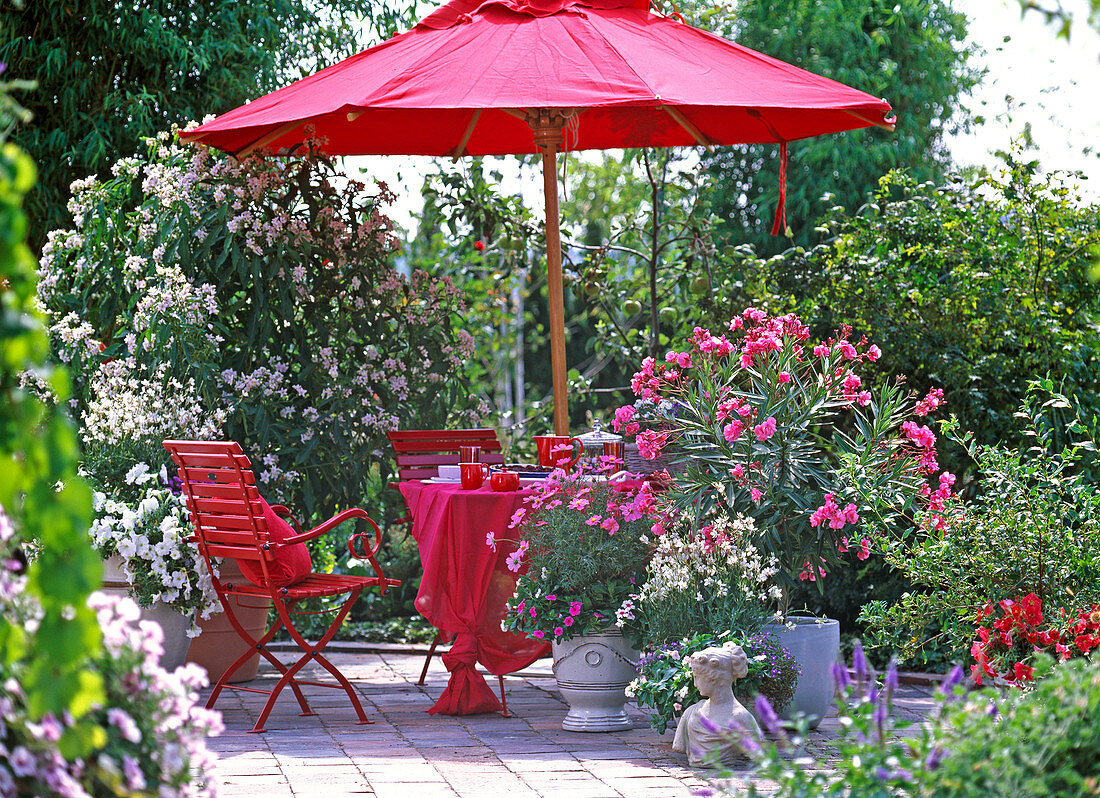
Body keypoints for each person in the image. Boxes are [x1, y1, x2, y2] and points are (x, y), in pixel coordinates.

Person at [673, 643, 761, 767]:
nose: (695, 684)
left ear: (716, 679)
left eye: (697, 678)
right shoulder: (691, 712)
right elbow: (678, 746)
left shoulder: (742, 718)